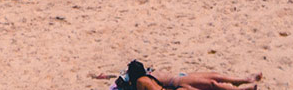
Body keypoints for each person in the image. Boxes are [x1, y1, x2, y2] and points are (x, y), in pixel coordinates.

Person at [102, 60, 261, 89]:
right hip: (178, 83)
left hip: (180, 78)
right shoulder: (145, 81)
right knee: (212, 84)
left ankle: (242, 80)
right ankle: (240, 88)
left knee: (214, 75)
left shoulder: (148, 77)